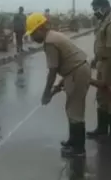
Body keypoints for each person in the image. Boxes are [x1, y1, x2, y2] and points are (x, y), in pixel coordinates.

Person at [26, 13, 91, 158]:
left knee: (75, 110)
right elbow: (64, 65)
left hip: (76, 72)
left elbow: (53, 71)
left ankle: (79, 149)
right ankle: (73, 141)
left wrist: (46, 93)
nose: (32, 38)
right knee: (71, 107)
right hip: (75, 71)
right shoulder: (53, 36)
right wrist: (56, 89)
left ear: (40, 28)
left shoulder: (49, 42)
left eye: (33, 33)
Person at [87, 0, 111, 142]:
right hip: (103, 61)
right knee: (102, 97)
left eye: (96, 9)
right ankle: (102, 129)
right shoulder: (104, 20)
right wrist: (95, 61)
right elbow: (101, 44)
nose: (95, 12)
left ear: (104, 7)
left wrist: (106, 76)